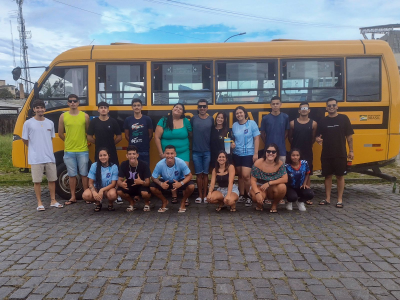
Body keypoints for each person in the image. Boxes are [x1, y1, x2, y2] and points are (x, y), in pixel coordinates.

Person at [22, 99, 63, 211]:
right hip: (36, 158)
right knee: (37, 181)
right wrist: (33, 148)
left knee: (52, 179)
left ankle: (53, 200)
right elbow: (25, 139)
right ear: (34, 109)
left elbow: (50, 138)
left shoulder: (49, 123)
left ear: (44, 109)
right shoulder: (28, 123)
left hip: (49, 156)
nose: (40, 110)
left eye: (42, 107)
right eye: (37, 108)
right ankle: (39, 203)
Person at [316, 98, 354, 208]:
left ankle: (339, 199)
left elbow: (349, 136)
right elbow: (318, 136)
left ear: (337, 106)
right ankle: (327, 199)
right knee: (327, 176)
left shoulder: (344, 118)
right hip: (326, 153)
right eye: (329, 106)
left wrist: (351, 150)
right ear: (326, 108)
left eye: (333, 105)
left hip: (340, 153)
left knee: (340, 176)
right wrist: (318, 139)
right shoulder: (322, 121)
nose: (331, 107)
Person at [58, 94, 90, 205]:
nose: (72, 103)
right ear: (68, 103)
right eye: (70, 101)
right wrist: (68, 142)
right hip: (69, 150)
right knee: (71, 175)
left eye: (74, 101)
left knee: (84, 174)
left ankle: (86, 195)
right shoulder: (63, 116)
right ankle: (73, 196)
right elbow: (61, 134)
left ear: (78, 103)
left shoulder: (85, 116)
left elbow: (88, 132)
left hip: (83, 150)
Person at [150, 145, 194, 213]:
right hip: (165, 181)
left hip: (178, 181)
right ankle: (164, 201)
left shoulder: (181, 162)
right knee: (152, 187)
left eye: (172, 153)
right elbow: (153, 177)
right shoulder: (160, 164)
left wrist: (180, 183)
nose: (169, 156)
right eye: (167, 153)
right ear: (164, 154)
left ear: (175, 154)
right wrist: (161, 184)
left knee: (191, 186)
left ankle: (183, 201)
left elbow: (190, 175)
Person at [231, 106, 260, 207]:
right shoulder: (234, 125)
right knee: (240, 176)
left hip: (248, 153)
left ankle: (249, 196)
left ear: (245, 113)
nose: (239, 115)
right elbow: (233, 139)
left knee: (246, 176)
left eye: (241, 113)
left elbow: (256, 139)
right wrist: (232, 144)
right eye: (237, 113)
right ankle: (242, 194)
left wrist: (256, 153)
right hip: (237, 153)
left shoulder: (252, 123)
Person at [249, 144, 288, 213]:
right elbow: (253, 180)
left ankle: (274, 205)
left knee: (282, 187)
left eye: (273, 152)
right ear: (265, 152)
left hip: (272, 187)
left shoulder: (280, 164)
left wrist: (269, 183)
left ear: (277, 153)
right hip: (259, 186)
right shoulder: (258, 163)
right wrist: (257, 193)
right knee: (255, 196)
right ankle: (259, 205)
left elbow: (285, 179)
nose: (271, 153)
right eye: (268, 151)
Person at [288, 102, 317, 189]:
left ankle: (306, 194)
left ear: (309, 110)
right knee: (292, 172)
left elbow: (313, 138)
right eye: (302, 109)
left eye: (306, 109)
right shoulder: (292, 123)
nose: (304, 110)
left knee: (308, 173)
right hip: (295, 151)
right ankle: (293, 191)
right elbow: (290, 137)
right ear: (299, 111)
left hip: (307, 151)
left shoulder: (314, 124)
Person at [191, 99, 213, 204]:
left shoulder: (211, 119)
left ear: (207, 108)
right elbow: (190, 133)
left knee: (206, 174)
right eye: (200, 106)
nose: (202, 108)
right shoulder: (193, 119)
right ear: (197, 108)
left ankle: (205, 195)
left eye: (204, 106)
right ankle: (200, 196)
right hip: (196, 151)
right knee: (198, 175)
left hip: (207, 151)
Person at [117, 145, 152, 212]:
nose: (132, 156)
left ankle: (147, 203)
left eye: (134, 154)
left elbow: (148, 182)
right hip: (130, 185)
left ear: (137, 155)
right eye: (129, 154)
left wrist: (141, 182)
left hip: (141, 186)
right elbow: (119, 180)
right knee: (119, 191)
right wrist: (121, 184)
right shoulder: (124, 164)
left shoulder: (144, 165)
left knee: (145, 193)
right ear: (127, 156)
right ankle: (131, 202)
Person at [87, 101, 122, 166]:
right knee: (99, 169)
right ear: (98, 110)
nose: (103, 109)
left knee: (113, 168)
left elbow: (119, 137)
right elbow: (89, 136)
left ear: (108, 110)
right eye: (101, 107)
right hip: (99, 150)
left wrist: (111, 143)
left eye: (105, 108)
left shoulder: (113, 121)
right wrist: (98, 142)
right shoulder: (94, 122)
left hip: (111, 151)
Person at [123, 98, 153, 165]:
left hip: (144, 149)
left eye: (138, 105)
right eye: (135, 105)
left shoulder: (147, 119)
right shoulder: (128, 120)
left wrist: (145, 142)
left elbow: (150, 135)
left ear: (141, 107)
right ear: (132, 107)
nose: (136, 107)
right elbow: (127, 135)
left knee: (145, 169)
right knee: (133, 168)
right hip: (132, 150)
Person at [260, 96, 290, 163]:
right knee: (269, 169)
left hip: (281, 150)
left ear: (280, 104)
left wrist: (281, 141)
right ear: (270, 105)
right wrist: (268, 143)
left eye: (277, 104)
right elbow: (262, 133)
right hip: (268, 150)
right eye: (273, 104)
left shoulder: (285, 117)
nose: (275, 106)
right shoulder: (265, 118)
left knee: (281, 169)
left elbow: (287, 132)